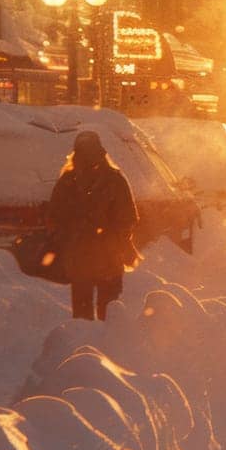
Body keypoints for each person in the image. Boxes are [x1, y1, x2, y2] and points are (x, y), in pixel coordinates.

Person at [48, 131, 139, 321]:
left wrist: (68, 239)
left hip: (80, 257)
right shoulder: (115, 180)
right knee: (110, 311)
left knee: (82, 313)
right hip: (110, 256)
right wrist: (119, 241)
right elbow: (128, 218)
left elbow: (55, 216)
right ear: (102, 153)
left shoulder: (67, 181)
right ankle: (108, 344)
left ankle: (85, 344)